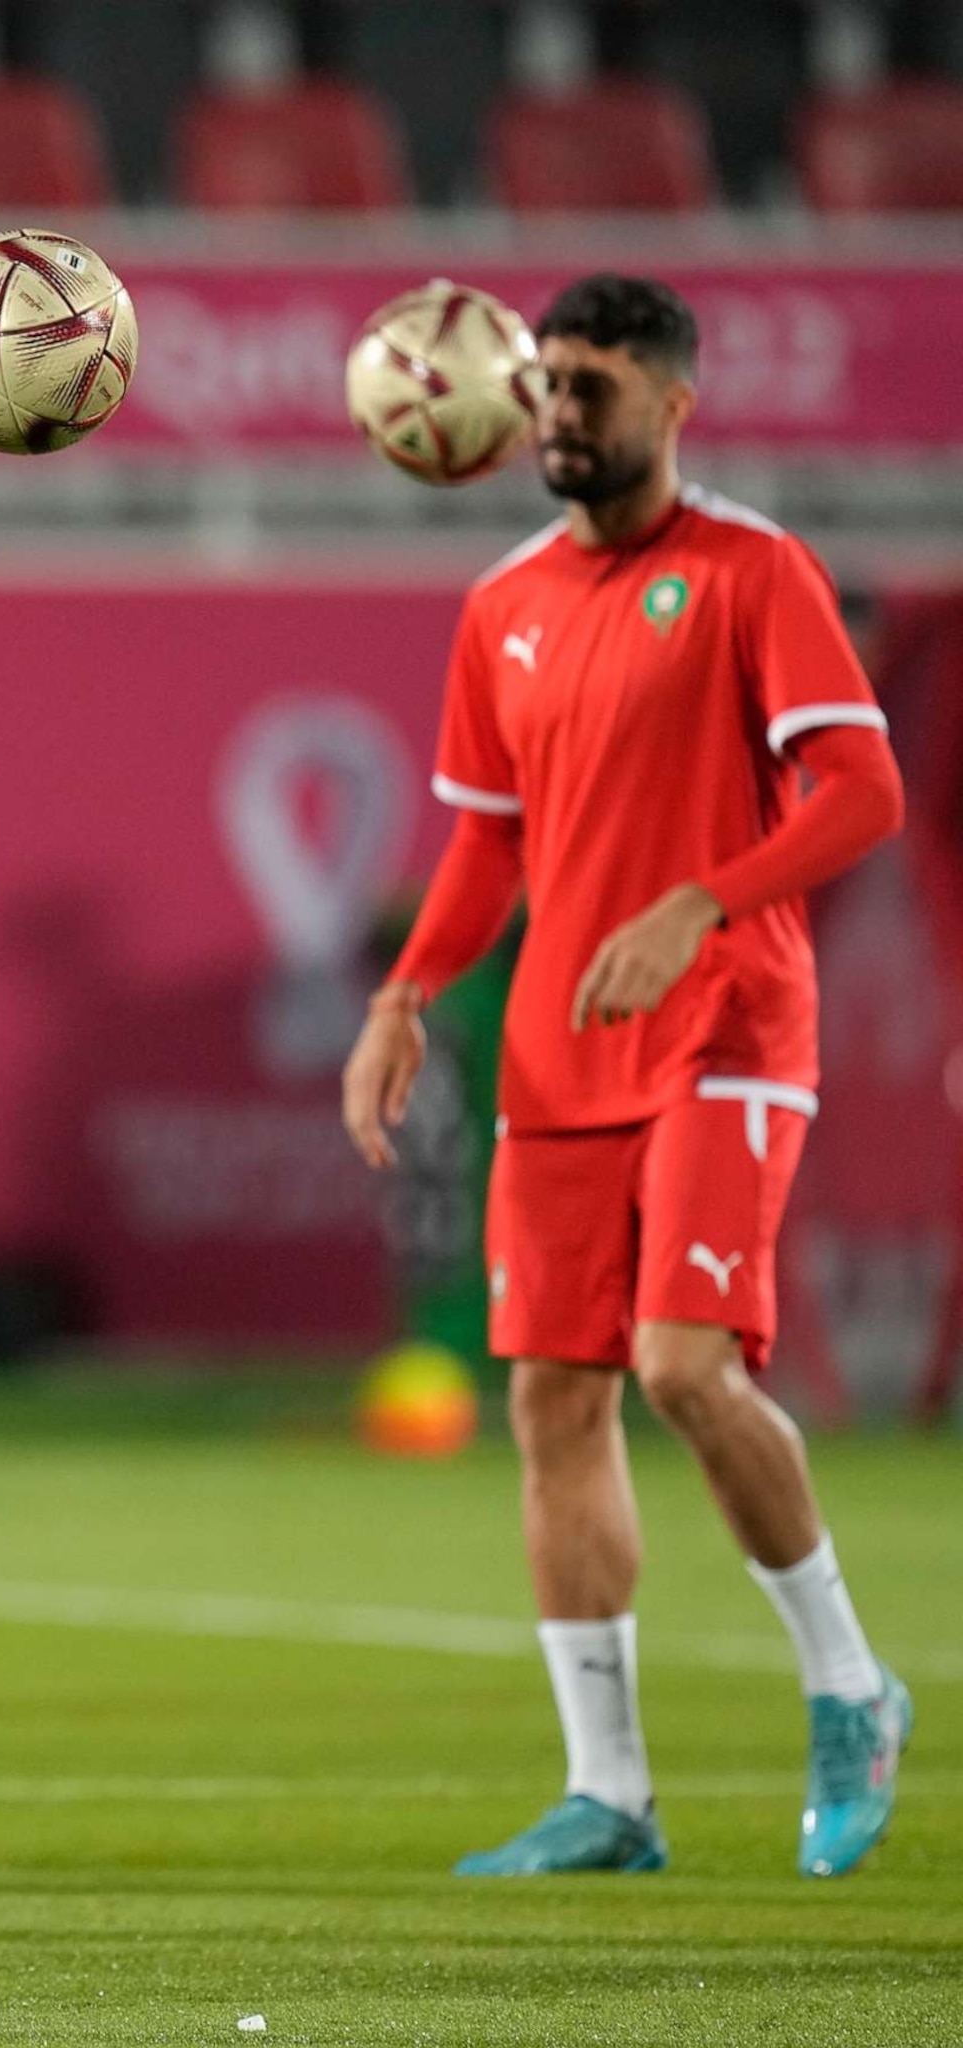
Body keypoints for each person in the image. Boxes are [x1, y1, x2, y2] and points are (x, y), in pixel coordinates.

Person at [343, 274, 912, 1880]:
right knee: (553, 1404)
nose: (565, 413)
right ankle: (611, 1794)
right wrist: (405, 995)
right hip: (559, 1060)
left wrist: (705, 898)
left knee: (679, 1367)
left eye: (598, 387)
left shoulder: (751, 572)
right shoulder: (503, 605)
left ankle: (851, 1685)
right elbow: (488, 839)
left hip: (727, 1031)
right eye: (553, 383)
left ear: (675, 405)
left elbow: (863, 790)